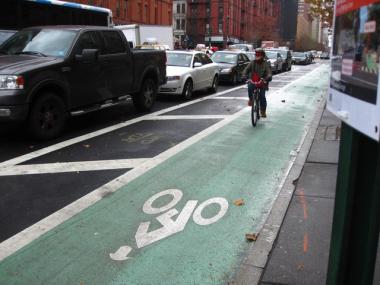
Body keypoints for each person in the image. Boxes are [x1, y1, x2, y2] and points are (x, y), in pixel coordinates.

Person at [243, 48, 272, 118]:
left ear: (262, 56)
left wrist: (267, 78)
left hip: (263, 82)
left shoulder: (266, 63)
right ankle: (251, 99)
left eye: (258, 55)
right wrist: (244, 76)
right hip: (253, 80)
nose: (257, 57)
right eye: (256, 55)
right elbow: (246, 70)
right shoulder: (252, 63)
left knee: (262, 96)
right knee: (250, 87)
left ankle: (263, 111)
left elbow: (269, 73)